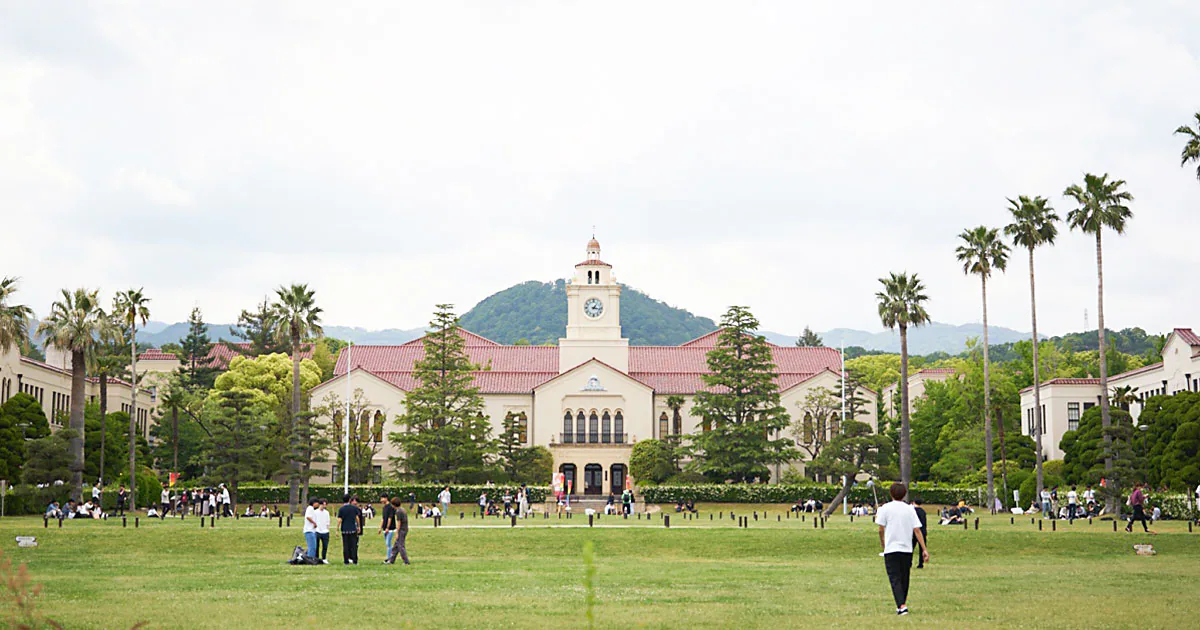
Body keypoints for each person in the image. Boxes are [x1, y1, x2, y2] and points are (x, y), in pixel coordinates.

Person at [876, 482, 929, 616]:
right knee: (904, 577)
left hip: (891, 548)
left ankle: (902, 605)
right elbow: (917, 530)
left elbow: (881, 529)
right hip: (906, 549)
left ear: (891, 493)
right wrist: (924, 549)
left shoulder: (885, 508)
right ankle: (902, 604)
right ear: (904, 494)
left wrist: (883, 543)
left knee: (895, 578)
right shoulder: (910, 509)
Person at [337, 495, 363, 565]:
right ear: (349, 500)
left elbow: (339, 520)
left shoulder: (341, 509)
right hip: (352, 529)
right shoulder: (354, 508)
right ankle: (355, 560)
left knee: (345, 545)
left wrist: (337, 529)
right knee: (354, 545)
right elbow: (357, 518)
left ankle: (346, 561)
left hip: (344, 529)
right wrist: (359, 526)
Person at [386, 496, 410, 565]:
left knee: (400, 546)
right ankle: (391, 560)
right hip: (405, 529)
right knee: (395, 546)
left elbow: (399, 523)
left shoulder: (398, 512)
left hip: (402, 530)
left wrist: (397, 533)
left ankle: (406, 561)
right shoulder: (402, 509)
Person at [379, 494, 396, 562]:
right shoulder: (384, 507)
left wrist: (387, 528)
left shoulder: (390, 507)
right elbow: (383, 518)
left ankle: (390, 558)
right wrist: (380, 527)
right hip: (384, 528)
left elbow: (390, 518)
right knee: (387, 544)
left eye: (382, 498)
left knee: (388, 543)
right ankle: (389, 557)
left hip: (390, 529)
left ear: (386, 498)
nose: (381, 500)